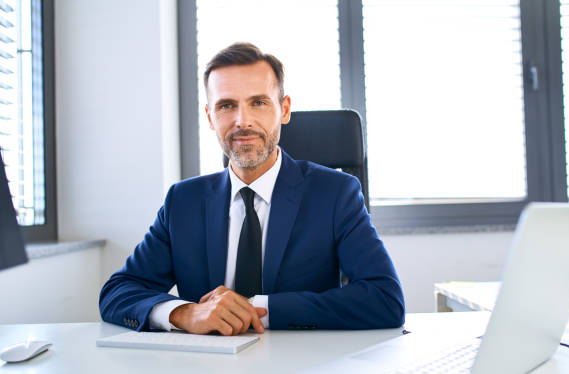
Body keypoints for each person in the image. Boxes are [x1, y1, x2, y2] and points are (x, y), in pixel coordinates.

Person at [99, 42, 405, 335]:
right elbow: (118, 292)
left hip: (303, 366)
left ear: (284, 110)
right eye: (226, 105)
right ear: (210, 117)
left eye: (258, 103)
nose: (242, 121)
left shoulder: (336, 194)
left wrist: (258, 308)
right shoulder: (183, 202)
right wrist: (184, 314)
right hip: (206, 373)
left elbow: (385, 299)